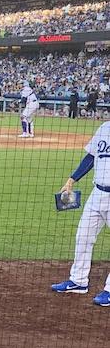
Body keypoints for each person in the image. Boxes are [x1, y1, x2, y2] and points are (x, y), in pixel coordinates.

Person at [51, 120, 110, 307]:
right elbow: (91, 157)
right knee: (83, 236)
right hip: (97, 194)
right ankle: (78, 281)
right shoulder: (104, 127)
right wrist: (72, 179)